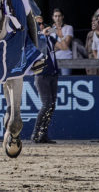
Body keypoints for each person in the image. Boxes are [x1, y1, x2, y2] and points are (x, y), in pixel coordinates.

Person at [32, 14, 59, 143]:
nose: (41, 26)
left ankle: (43, 133)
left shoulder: (49, 39)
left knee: (52, 105)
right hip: (42, 75)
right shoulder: (35, 40)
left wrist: (51, 30)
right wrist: (41, 34)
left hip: (52, 73)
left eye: (43, 23)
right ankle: (36, 133)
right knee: (46, 104)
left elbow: (60, 35)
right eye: (38, 24)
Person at [46, 8, 74, 76]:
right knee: (54, 81)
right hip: (53, 60)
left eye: (59, 16)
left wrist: (60, 35)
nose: (57, 18)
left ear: (62, 17)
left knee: (65, 79)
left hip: (65, 58)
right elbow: (49, 45)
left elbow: (66, 45)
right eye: (55, 16)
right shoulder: (51, 29)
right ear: (53, 17)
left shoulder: (68, 27)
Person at [85, 7, 99, 75]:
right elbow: (93, 49)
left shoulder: (96, 31)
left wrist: (96, 31)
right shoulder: (92, 33)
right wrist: (98, 62)